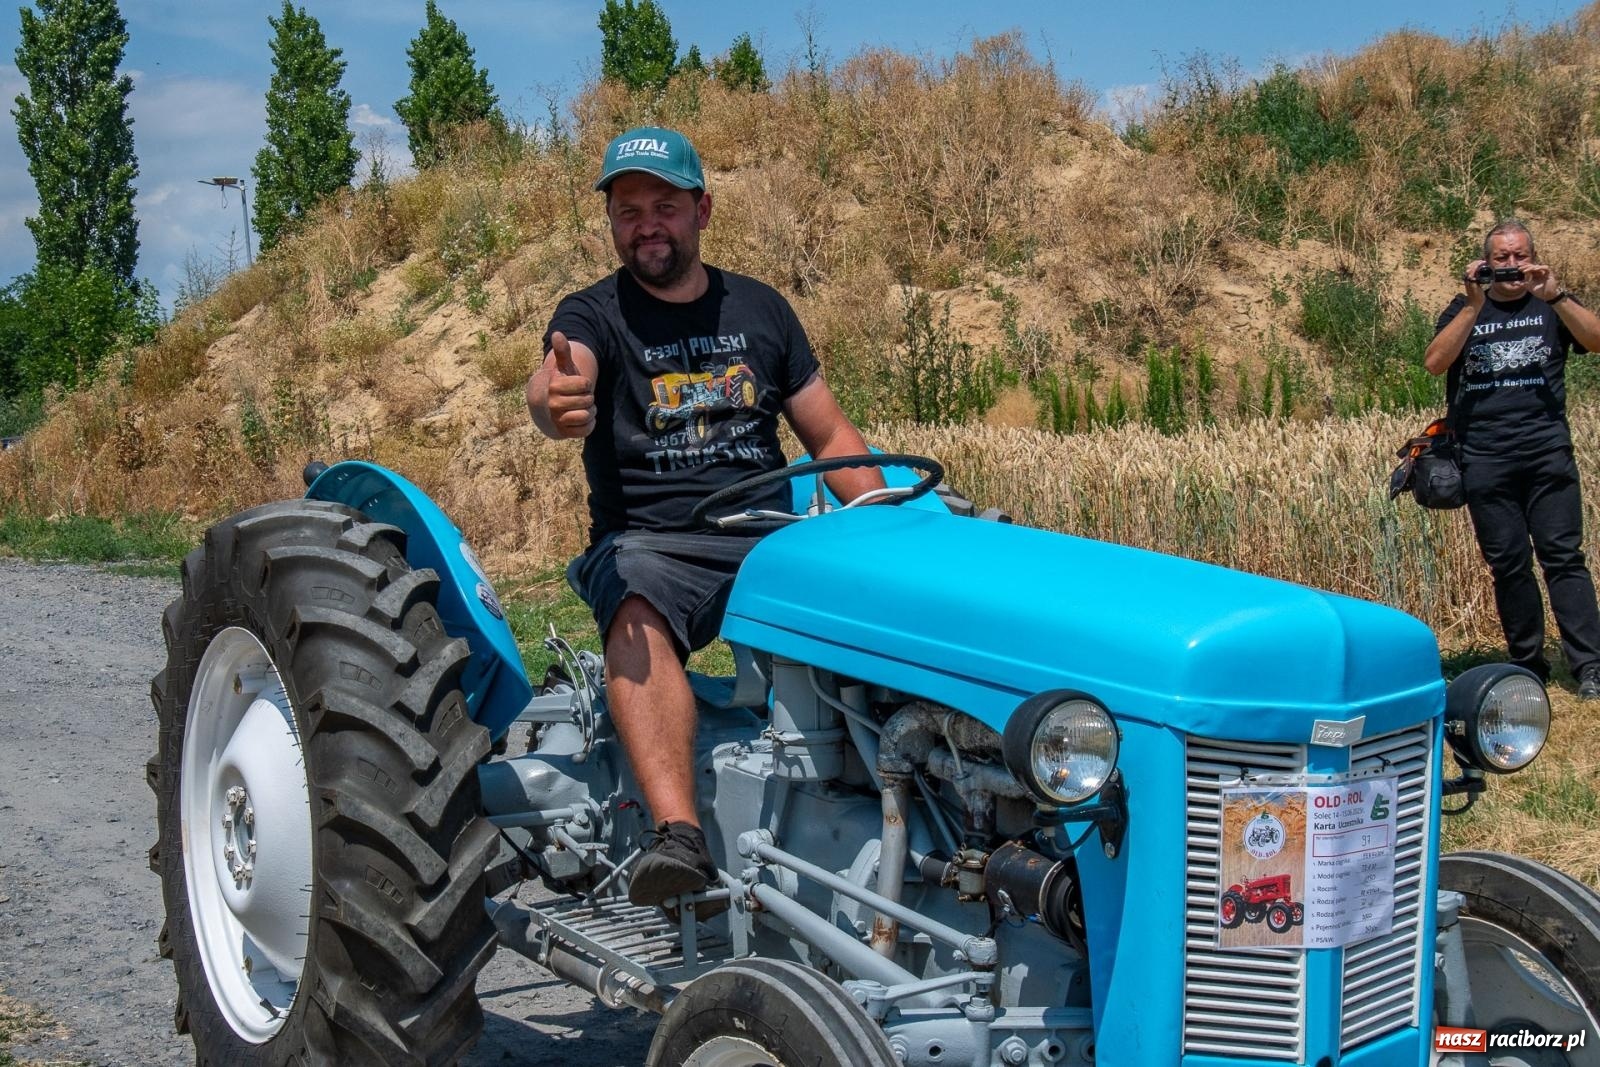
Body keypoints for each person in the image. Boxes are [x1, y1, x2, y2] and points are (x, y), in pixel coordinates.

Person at [526, 126, 884, 908]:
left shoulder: (760, 309)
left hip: (767, 539)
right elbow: (558, 379)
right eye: (628, 211)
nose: (646, 223)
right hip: (652, 543)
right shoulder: (592, 313)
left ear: (702, 211)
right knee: (635, 601)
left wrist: (886, 522)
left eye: (664, 205)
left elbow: (828, 436)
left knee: (883, 596)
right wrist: (555, 400)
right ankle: (679, 836)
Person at [1423, 219, 1600, 698]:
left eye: (1519, 256)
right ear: (1485, 264)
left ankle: (1589, 667)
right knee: (1509, 564)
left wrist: (1558, 296)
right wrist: (1473, 303)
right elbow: (1434, 362)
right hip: (1484, 456)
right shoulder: (1465, 309)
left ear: (1533, 258)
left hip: (1547, 452)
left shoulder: (1550, 305)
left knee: (1564, 558)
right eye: (1501, 258)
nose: (1511, 266)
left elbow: (1596, 340)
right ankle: (1528, 663)